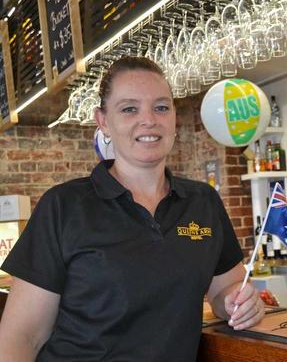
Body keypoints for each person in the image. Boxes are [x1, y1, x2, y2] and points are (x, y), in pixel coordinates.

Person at [0, 57, 265, 361]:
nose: (149, 120)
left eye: (161, 107)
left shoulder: (203, 202)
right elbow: (21, 338)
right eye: (129, 109)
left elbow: (226, 288)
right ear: (103, 121)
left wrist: (238, 302)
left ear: (174, 117)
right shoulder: (63, 206)